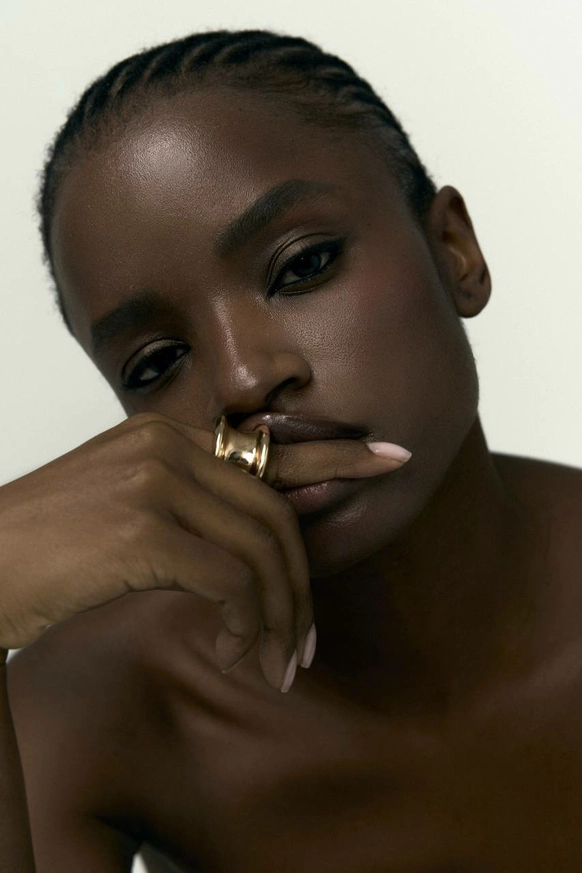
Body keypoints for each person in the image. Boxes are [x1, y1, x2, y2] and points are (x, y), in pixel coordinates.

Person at [1, 26, 581, 872]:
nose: (242, 381)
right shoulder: (101, 703)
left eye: (302, 266)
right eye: (157, 362)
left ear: (454, 251)